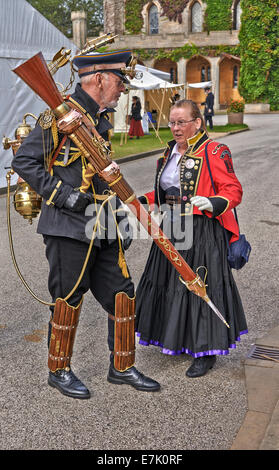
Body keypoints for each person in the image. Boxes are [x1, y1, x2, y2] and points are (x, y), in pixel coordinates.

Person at [12, 50, 160, 399]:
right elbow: (25, 161)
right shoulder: (58, 114)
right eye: (120, 79)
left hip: (103, 221)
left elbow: (101, 174)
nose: (123, 87)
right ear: (98, 79)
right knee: (67, 298)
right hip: (67, 225)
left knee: (123, 294)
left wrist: (121, 217)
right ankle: (58, 369)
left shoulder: (98, 118)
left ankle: (121, 366)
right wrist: (62, 195)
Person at [136, 99, 248, 378]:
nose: (175, 128)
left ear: (197, 122)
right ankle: (180, 338)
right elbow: (166, 192)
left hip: (202, 230)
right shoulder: (168, 153)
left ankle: (206, 351)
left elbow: (233, 190)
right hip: (172, 227)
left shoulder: (215, 150)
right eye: (172, 122)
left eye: (181, 122)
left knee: (201, 285)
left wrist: (213, 202)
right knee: (171, 284)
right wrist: (142, 200)